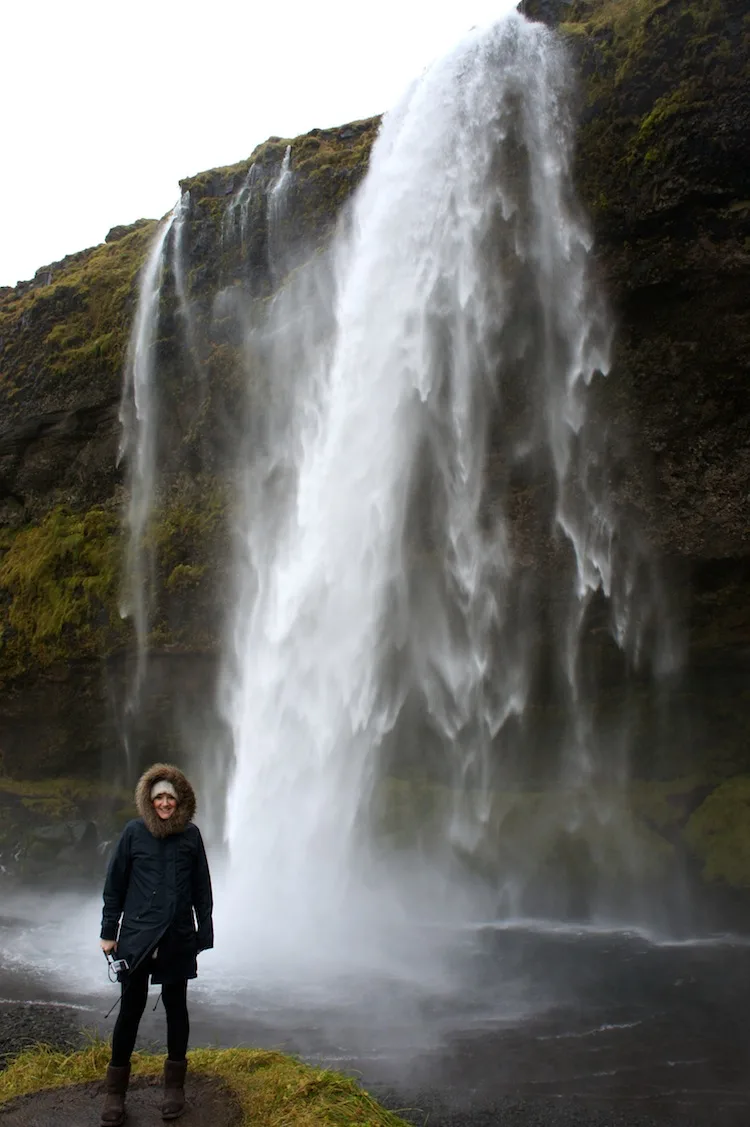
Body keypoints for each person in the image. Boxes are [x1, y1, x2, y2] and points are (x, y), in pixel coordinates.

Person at [99, 763, 214, 1126]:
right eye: (159, 797)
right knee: (129, 1013)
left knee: (177, 1010)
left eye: (170, 797)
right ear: (149, 801)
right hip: (136, 939)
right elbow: (115, 884)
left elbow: (202, 890)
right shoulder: (134, 833)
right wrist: (108, 932)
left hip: (178, 937)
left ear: (181, 802)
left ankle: (174, 1089)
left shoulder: (191, 836)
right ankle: (116, 1094)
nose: (165, 803)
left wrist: (203, 936)